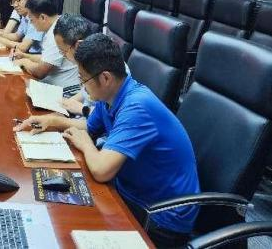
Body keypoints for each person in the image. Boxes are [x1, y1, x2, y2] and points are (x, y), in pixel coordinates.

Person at [14, 33, 200, 247]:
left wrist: (86, 144)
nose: (82, 86)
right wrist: (52, 121)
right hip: (130, 191)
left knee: (67, 228)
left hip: (161, 217)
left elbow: (102, 170)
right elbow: (89, 126)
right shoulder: (110, 95)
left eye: (83, 79)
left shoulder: (137, 107)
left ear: (105, 78)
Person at [53, 14, 130, 116]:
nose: (63, 55)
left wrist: (82, 109)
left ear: (78, 45)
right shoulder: (88, 63)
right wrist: (66, 104)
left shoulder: (104, 69)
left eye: (63, 51)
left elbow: (107, 118)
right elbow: (86, 92)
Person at [13, 0, 78, 88]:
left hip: (64, 91)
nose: (31, 23)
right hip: (53, 85)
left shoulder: (57, 33)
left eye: (31, 20)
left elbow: (40, 72)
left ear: (43, 17)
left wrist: (24, 62)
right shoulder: (57, 23)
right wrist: (24, 56)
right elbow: (47, 58)